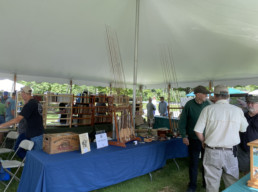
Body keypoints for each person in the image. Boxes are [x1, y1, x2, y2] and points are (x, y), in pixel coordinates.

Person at [194, 85, 248, 192]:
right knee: (232, 182)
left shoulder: (207, 109)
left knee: (212, 183)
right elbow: (243, 129)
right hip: (231, 151)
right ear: (228, 96)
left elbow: (198, 130)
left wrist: (203, 141)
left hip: (212, 151)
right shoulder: (237, 110)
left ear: (214, 96)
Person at [179, 85, 210, 192]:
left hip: (206, 139)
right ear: (197, 94)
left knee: (206, 163)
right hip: (193, 139)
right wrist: (184, 136)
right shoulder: (189, 105)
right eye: (204, 94)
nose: (207, 95)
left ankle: (206, 183)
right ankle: (192, 185)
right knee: (194, 163)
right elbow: (182, 121)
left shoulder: (208, 104)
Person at [0, 86, 44, 150]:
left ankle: (26, 158)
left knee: (36, 155)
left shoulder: (30, 105)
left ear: (24, 94)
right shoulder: (36, 102)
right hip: (37, 132)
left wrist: (1, 125)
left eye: (21, 94)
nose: (21, 95)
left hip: (35, 134)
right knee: (33, 154)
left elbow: (17, 119)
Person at [238, 95, 258, 173]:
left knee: (256, 173)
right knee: (245, 171)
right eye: (248, 103)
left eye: (253, 103)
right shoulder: (243, 115)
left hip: (256, 149)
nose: (250, 105)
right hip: (243, 149)